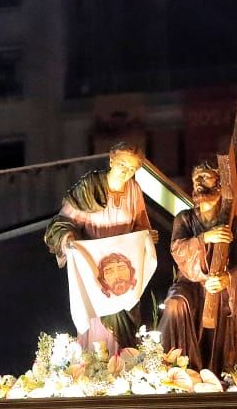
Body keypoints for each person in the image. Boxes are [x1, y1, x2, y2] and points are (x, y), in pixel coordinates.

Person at [44, 142, 157, 352]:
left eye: (132, 169)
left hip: (124, 273)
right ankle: (98, 368)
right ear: (112, 160)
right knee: (100, 325)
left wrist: (146, 236)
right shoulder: (90, 187)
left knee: (125, 321)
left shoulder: (133, 190)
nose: (126, 172)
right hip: (95, 270)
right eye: (123, 165)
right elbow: (61, 223)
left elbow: (141, 224)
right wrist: (69, 238)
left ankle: (125, 363)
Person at [158, 158, 237, 374]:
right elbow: (177, 249)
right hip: (190, 283)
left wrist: (227, 279)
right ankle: (172, 366)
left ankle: (217, 374)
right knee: (175, 305)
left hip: (219, 288)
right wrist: (205, 238)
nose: (199, 182)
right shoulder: (184, 219)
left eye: (205, 177)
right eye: (195, 178)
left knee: (223, 313)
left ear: (220, 185)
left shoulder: (235, 225)